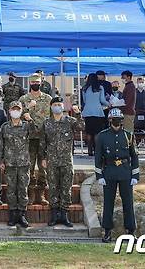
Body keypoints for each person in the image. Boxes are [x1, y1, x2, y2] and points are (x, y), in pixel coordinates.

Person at [95, 108, 140, 243]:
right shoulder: (102, 136)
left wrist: (135, 175)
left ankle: (131, 231)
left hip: (125, 172)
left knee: (128, 203)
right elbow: (98, 157)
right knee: (108, 203)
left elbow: (134, 156)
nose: (117, 122)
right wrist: (99, 176)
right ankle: (107, 231)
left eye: (119, 120)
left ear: (122, 121)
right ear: (110, 120)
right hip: (109, 171)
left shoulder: (129, 135)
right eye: (114, 120)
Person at [40, 96, 84, 227]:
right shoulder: (47, 123)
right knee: (53, 188)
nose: (57, 106)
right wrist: (42, 158)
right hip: (52, 160)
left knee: (66, 188)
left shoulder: (70, 121)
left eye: (59, 104)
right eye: (55, 104)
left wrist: (78, 113)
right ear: (51, 107)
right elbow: (43, 142)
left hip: (66, 161)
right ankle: (54, 215)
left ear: (63, 107)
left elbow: (81, 127)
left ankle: (64, 215)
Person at [0, 101, 35, 227]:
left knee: (23, 189)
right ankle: (13, 214)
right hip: (10, 163)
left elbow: (36, 134)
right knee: (11, 190)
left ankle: (22, 214)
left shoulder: (26, 126)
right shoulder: (4, 127)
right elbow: (0, 145)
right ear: (9, 110)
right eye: (13, 109)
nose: (15, 111)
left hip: (24, 163)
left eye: (18, 109)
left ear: (21, 111)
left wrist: (30, 120)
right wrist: (0, 161)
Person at [19, 73, 50, 205]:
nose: (35, 84)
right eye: (32, 82)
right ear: (29, 83)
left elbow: (52, 117)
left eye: (37, 82)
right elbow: (16, 116)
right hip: (29, 138)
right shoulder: (23, 99)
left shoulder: (48, 99)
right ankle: (31, 194)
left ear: (40, 83)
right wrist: (28, 108)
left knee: (43, 167)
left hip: (43, 138)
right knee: (29, 167)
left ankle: (42, 194)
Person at [81, 73, 109, 156]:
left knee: (89, 132)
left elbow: (85, 101)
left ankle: (89, 150)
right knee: (97, 132)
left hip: (87, 111)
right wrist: (109, 104)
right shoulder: (100, 88)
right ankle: (97, 150)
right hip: (97, 111)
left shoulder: (85, 88)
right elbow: (102, 100)